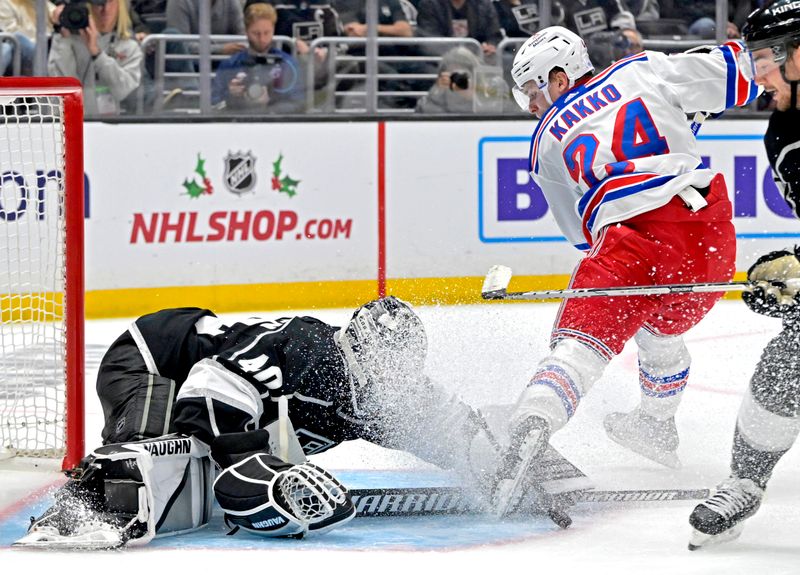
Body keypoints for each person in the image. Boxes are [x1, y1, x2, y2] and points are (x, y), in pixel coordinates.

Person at [492, 25, 760, 514]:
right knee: (658, 331)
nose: (531, 105)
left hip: (630, 242)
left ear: (558, 77)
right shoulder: (644, 69)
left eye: (533, 91)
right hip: (708, 235)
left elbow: (580, 234)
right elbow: (750, 69)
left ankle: (531, 423)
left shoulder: (546, 140)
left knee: (579, 350)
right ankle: (657, 423)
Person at [18, 299, 510, 547]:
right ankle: (79, 508)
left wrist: (509, 465)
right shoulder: (309, 351)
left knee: (192, 471)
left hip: (195, 375)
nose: (386, 389)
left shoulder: (386, 390)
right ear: (354, 351)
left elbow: (451, 428)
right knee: (156, 455)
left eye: (395, 378)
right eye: (378, 373)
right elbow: (210, 384)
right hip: (153, 358)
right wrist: (247, 462)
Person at [688, 0, 800, 550]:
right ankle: (744, 482)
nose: (755, 75)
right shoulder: (784, 136)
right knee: (788, 360)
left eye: (764, 59)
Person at [47, 0, 143, 115]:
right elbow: (63, 90)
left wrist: (97, 54)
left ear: (120, 6)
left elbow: (123, 91)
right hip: (75, 122)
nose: (105, 10)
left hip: (117, 125)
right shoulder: (68, 41)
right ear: (88, 6)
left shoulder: (130, 47)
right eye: (99, 3)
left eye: (110, 2)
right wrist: (62, 36)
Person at [211, 2, 304, 113]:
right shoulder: (230, 65)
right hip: (239, 124)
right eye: (256, 33)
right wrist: (230, 95)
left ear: (273, 29)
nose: (262, 39)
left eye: (267, 33)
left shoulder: (287, 63)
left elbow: (299, 104)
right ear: (246, 31)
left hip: (276, 125)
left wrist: (271, 102)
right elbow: (214, 104)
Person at [415, 0, 502, 61]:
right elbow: (429, 39)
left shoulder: (484, 4)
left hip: (479, 57)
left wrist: (490, 45)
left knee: (505, 60)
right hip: (441, 58)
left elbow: (494, 35)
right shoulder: (429, 4)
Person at [0, 0, 55, 76]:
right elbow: (11, 31)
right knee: (13, 41)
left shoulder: (43, 3)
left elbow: (58, 15)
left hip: (48, 50)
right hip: (23, 52)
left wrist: (59, 16)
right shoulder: (5, 2)